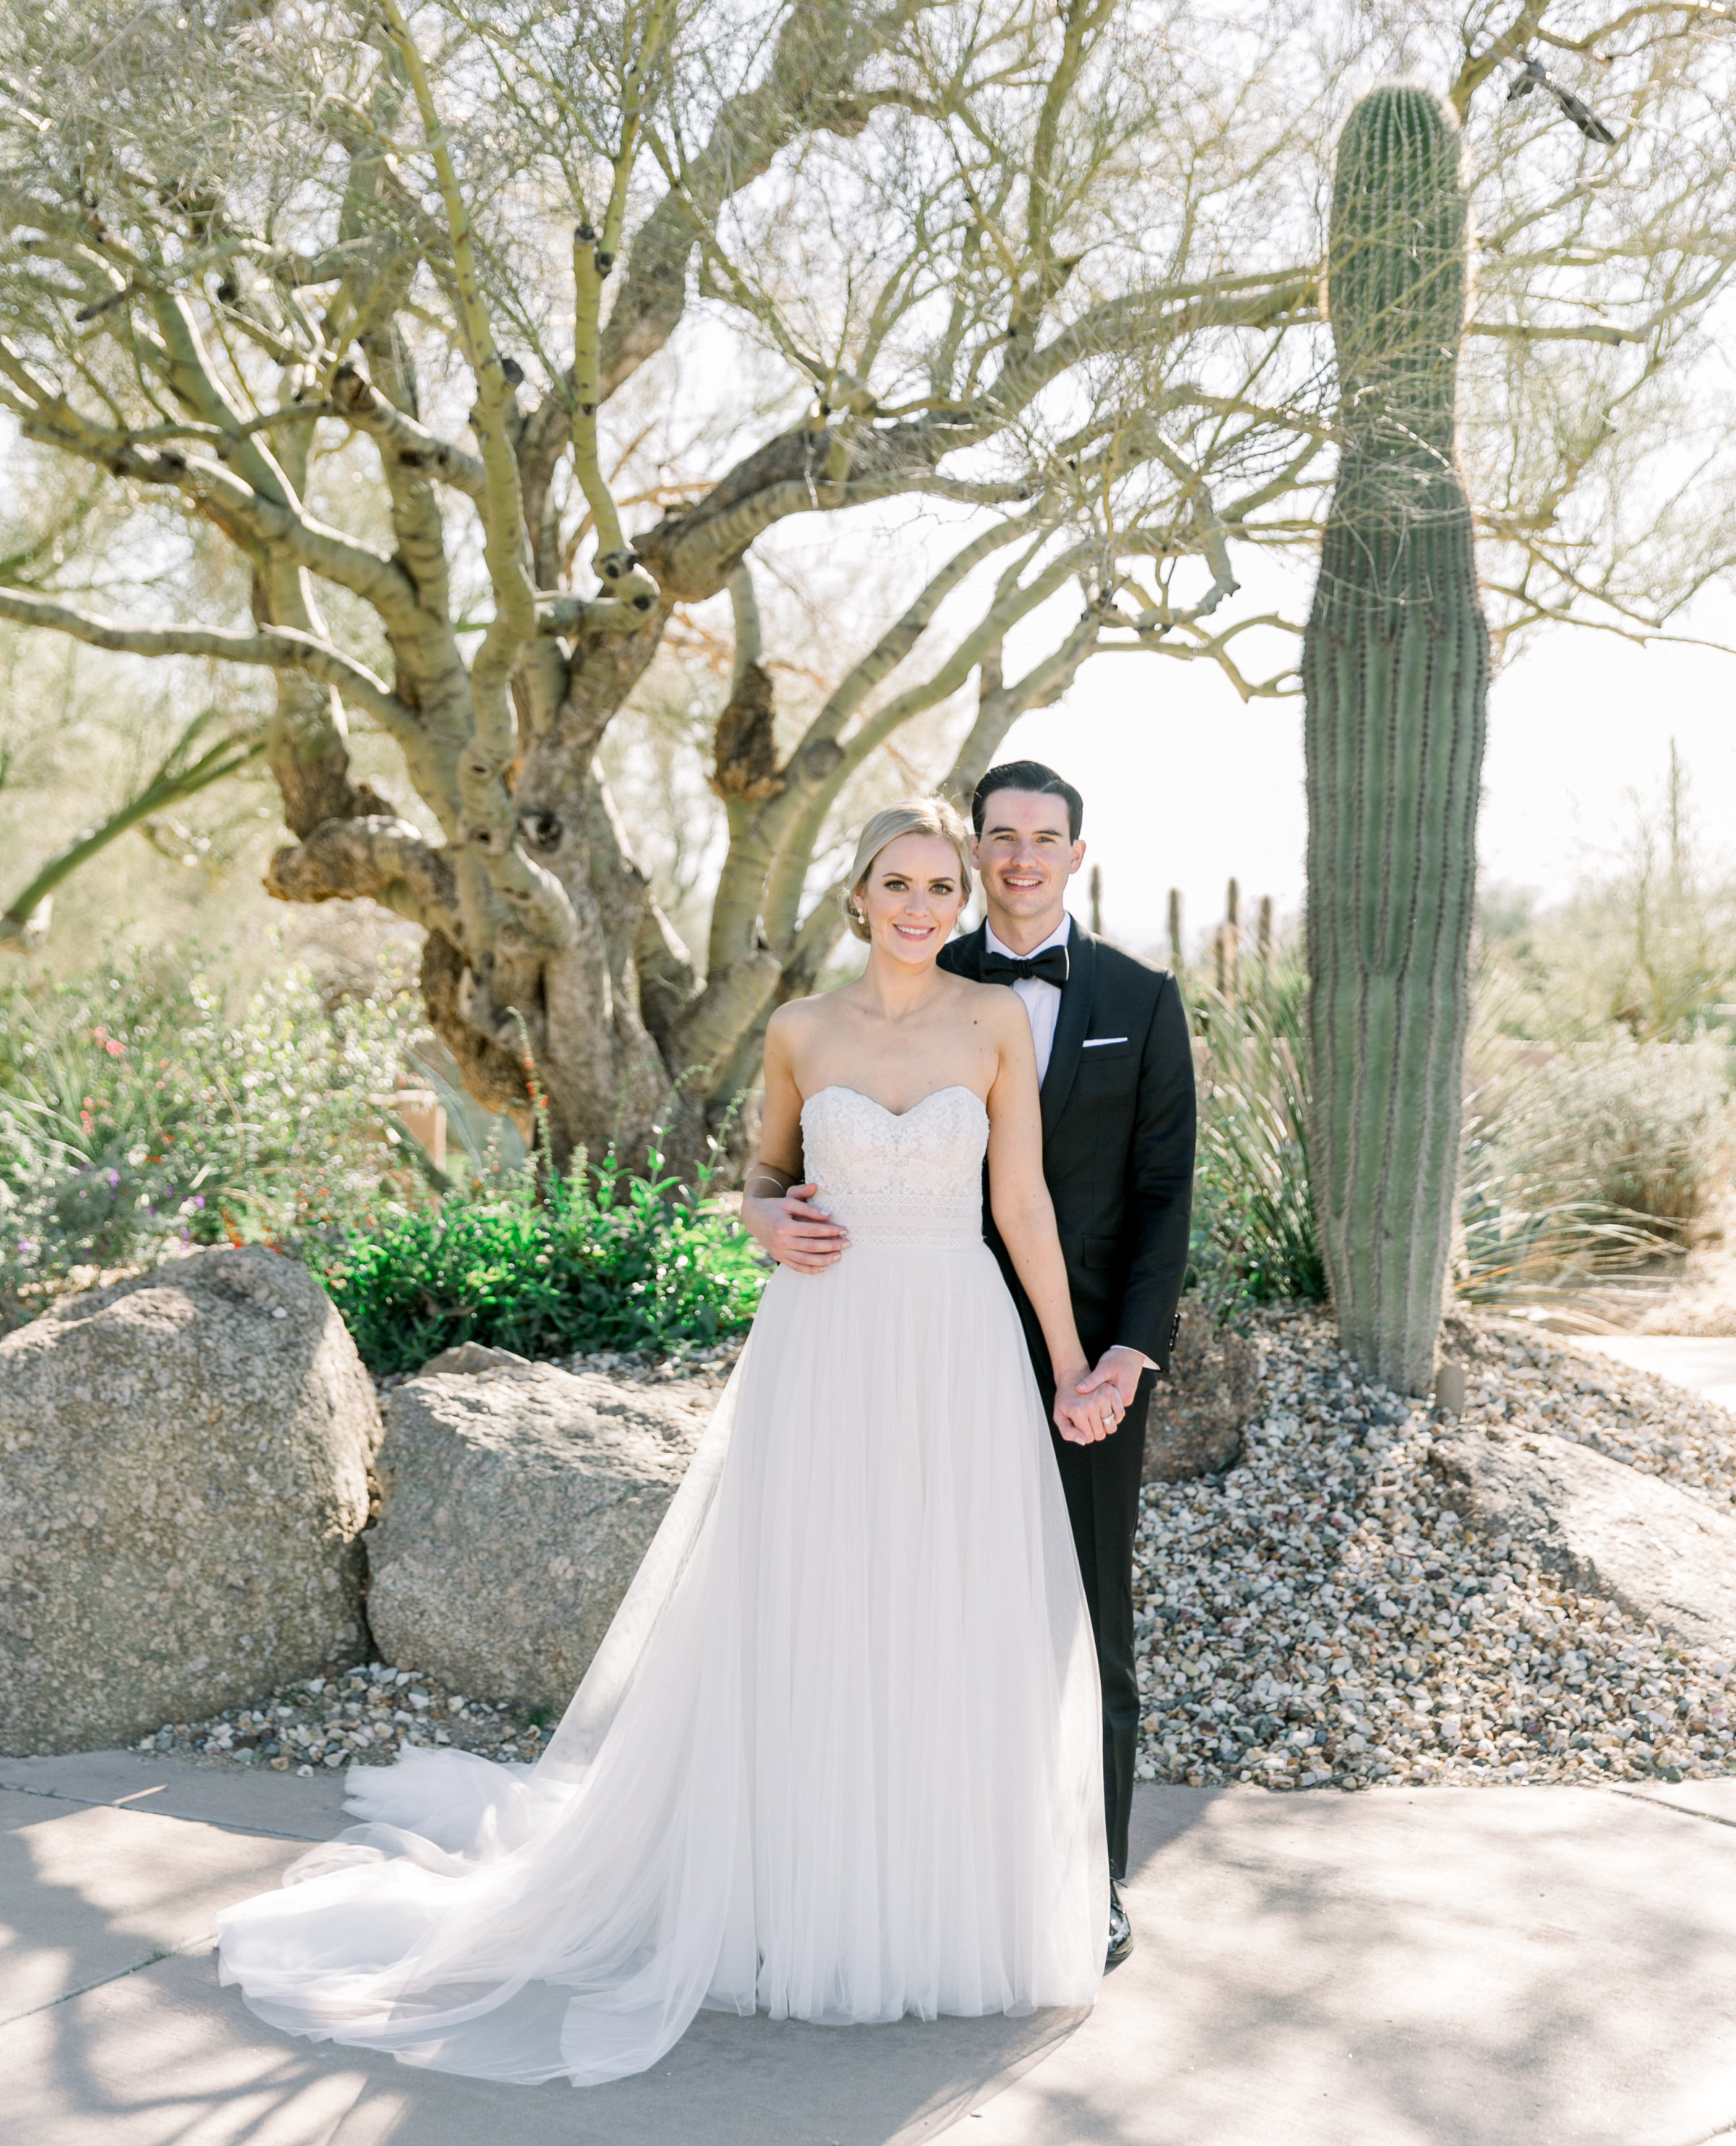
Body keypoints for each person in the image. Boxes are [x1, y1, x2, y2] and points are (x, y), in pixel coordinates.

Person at [215, 797, 1117, 2086]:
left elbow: (1019, 1201)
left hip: (960, 1341)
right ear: (857, 895)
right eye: (897, 883)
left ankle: (934, 1908)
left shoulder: (993, 1026)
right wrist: (764, 1226)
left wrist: (1069, 1357)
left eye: (942, 886)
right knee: (813, 1604)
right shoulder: (803, 1031)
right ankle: (795, 1900)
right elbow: (757, 1179)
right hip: (828, 1336)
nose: (921, 906)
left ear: (963, 902)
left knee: (946, 1607)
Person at [765, 762, 1196, 1967]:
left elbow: (1164, 1198)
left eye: (1040, 840)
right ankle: (901, 1876)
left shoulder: (1141, 998)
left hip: (1080, 1363)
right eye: (995, 839)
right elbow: (777, 1159)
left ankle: (1097, 1878)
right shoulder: (912, 980)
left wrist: (1118, 1358)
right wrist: (763, 1215)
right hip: (898, 1352)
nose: (1016, 861)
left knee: (1083, 1619)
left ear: (1074, 854)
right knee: (899, 1612)